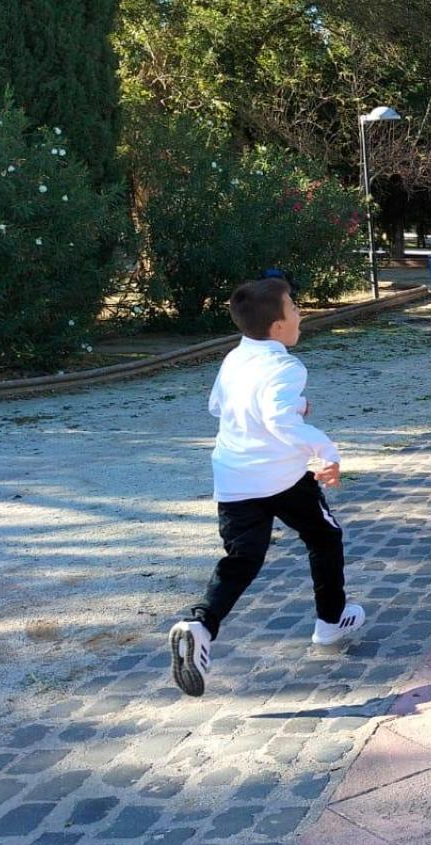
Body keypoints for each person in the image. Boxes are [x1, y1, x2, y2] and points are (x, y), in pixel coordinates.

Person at [167, 279, 366, 697]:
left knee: (243, 558)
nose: (299, 315)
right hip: (282, 477)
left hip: (234, 477)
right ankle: (330, 622)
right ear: (277, 327)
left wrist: (291, 408)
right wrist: (326, 451)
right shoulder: (287, 366)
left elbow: (217, 407)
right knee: (324, 536)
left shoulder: (234, 358)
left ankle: (200, 625)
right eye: (293, 308)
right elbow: (279, 420)